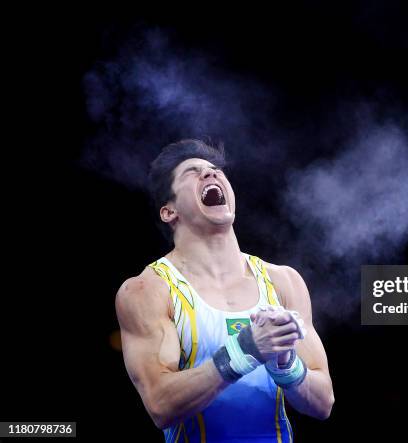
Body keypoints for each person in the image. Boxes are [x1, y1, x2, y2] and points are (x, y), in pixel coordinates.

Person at [115, 139, 334, 442]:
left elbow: (323, 403)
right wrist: (243, 350)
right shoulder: (148, 290)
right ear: (169, 212)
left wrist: (287, 365)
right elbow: (160, 405)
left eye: (216, 170)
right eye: (192, 172)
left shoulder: (284, 281)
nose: (210, 175)